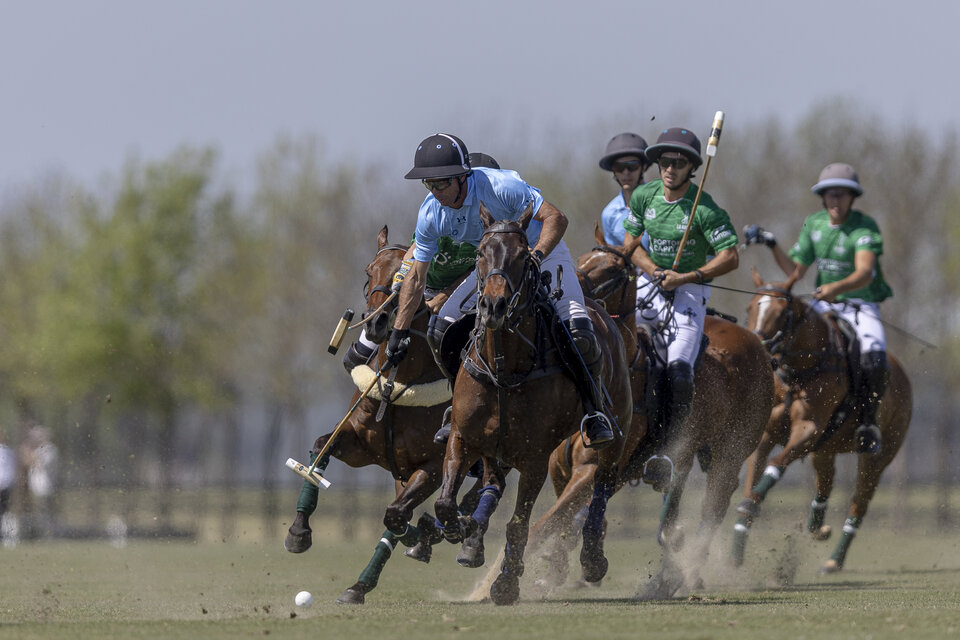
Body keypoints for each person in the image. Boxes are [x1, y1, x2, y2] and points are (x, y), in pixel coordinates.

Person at [388, 133, 615, 448]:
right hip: (494, 265)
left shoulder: (500, 187)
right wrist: (399, 330)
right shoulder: (431, 213)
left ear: (462, 176)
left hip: (539, 253)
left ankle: (594, 412)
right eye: (430, 185)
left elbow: (556, 218)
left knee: (579, 330)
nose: (436, 192)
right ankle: (459, 403)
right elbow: (415, 277)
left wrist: (535, 256)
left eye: (442, 184)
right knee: (440, 329)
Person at [743, 162, 891, 454]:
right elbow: (795, 271)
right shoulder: (814, 224)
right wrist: (773, 245)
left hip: (860, 305)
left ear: (852, 197)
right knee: (782, 339)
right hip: (823, 304)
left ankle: (867, 423)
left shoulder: (864, 227)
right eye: (830, 195)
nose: (836, 200)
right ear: (823, 198)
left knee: (874, 356)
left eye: (842, 194)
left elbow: (864, 272)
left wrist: (835, 288)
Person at [621, 127, 740, 482]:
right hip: (651, 281)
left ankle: (668, 450)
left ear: (691, 168)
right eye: (664, 161)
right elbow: (631, 243)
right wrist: (655, 270)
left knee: (678, 368)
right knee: (615, 341)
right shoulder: (644, 196)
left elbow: (730, 256)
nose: (670, 168)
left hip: (690, 291)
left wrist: (687, 277)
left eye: (678, 162)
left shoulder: (705, 209)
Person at [341, 152, 502, 375]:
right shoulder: (439, 215)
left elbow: (478, 273)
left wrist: (445, 295)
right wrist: (397, 286)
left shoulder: (491, 231)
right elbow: (414, 257)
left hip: (461, 297)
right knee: (355, 358)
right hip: (419, 289)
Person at [598, 132, 651, 246]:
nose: (626, 172)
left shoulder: (662, 202)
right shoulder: (609, 214)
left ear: (644, 167)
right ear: (613, 170)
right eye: (619, 167)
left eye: (632, 166)